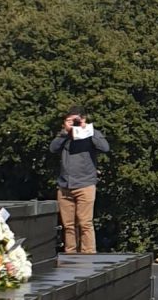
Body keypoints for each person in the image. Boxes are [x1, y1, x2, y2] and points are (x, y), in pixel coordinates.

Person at [49, 105, 109, 253]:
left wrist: (87, 129)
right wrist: (65, 132)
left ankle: (88, 255)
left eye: (76, 120)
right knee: (68, 225)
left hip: (85, 184)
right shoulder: (63, 137)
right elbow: (53, 149)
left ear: (83, 119)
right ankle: (70, 255)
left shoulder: (91, 134)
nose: (74, 123)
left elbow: (105, 147)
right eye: (70, 120)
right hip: (65, 186)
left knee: (85, 223)